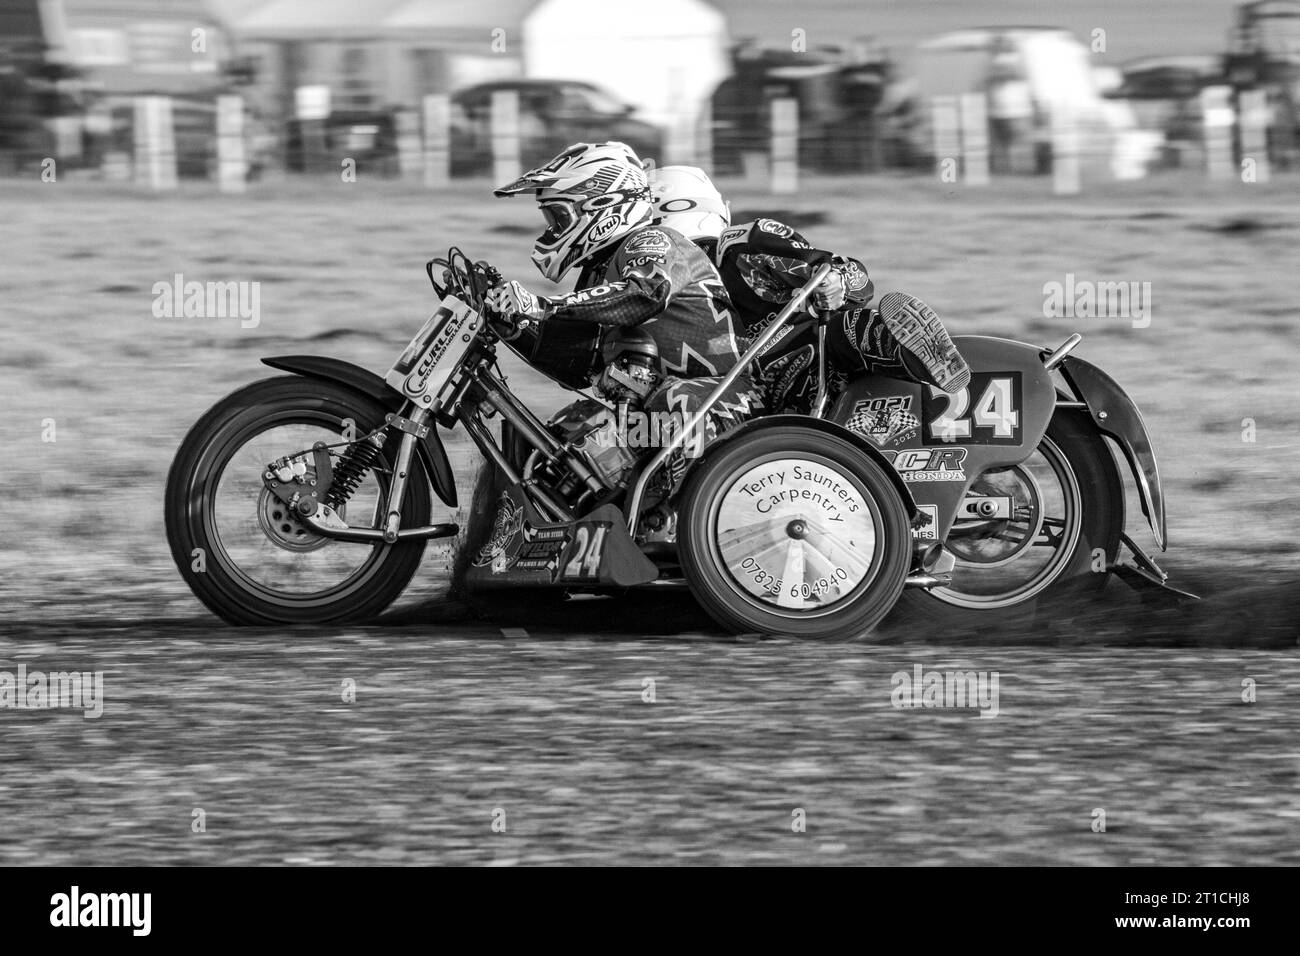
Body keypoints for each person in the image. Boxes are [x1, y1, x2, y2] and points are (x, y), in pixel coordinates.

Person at [485, 142, 762, 467]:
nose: (552, 230)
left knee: (670, 402)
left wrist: (542, 306)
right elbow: (578, 369)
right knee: (563, 439)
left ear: (603, 204)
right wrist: (507, 323)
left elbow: (646, 293)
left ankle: (674, 514)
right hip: (672, 412)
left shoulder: (654, 240)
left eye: (558, 217)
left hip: (728, 399)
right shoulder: (601, 274)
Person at [648, 164, 970, 415]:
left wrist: (835, 282)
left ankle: (908, 351)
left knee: (843, 327)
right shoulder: (653, 289)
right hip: (757, 395)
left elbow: (853, 274)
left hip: (815, 358)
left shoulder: (741, 246)